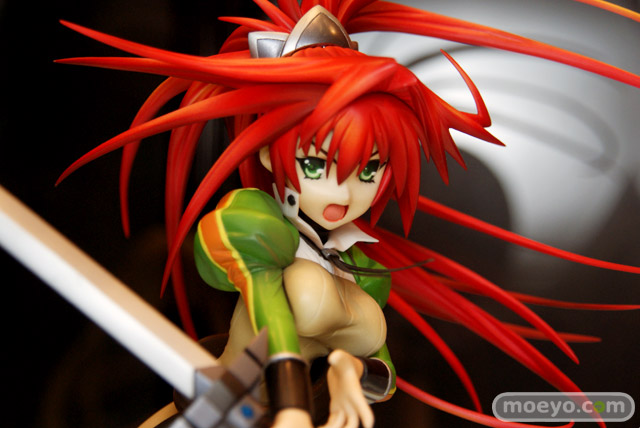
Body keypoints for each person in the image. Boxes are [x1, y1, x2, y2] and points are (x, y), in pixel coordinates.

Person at [57, 1, 640, 427]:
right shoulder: (253, 222)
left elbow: (379, 367)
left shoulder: (367, 273)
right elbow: (267, 309)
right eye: (318, 164)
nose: (343, 190)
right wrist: (290, 402)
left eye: (368, 170)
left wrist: (347, 372)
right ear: (273, 153)